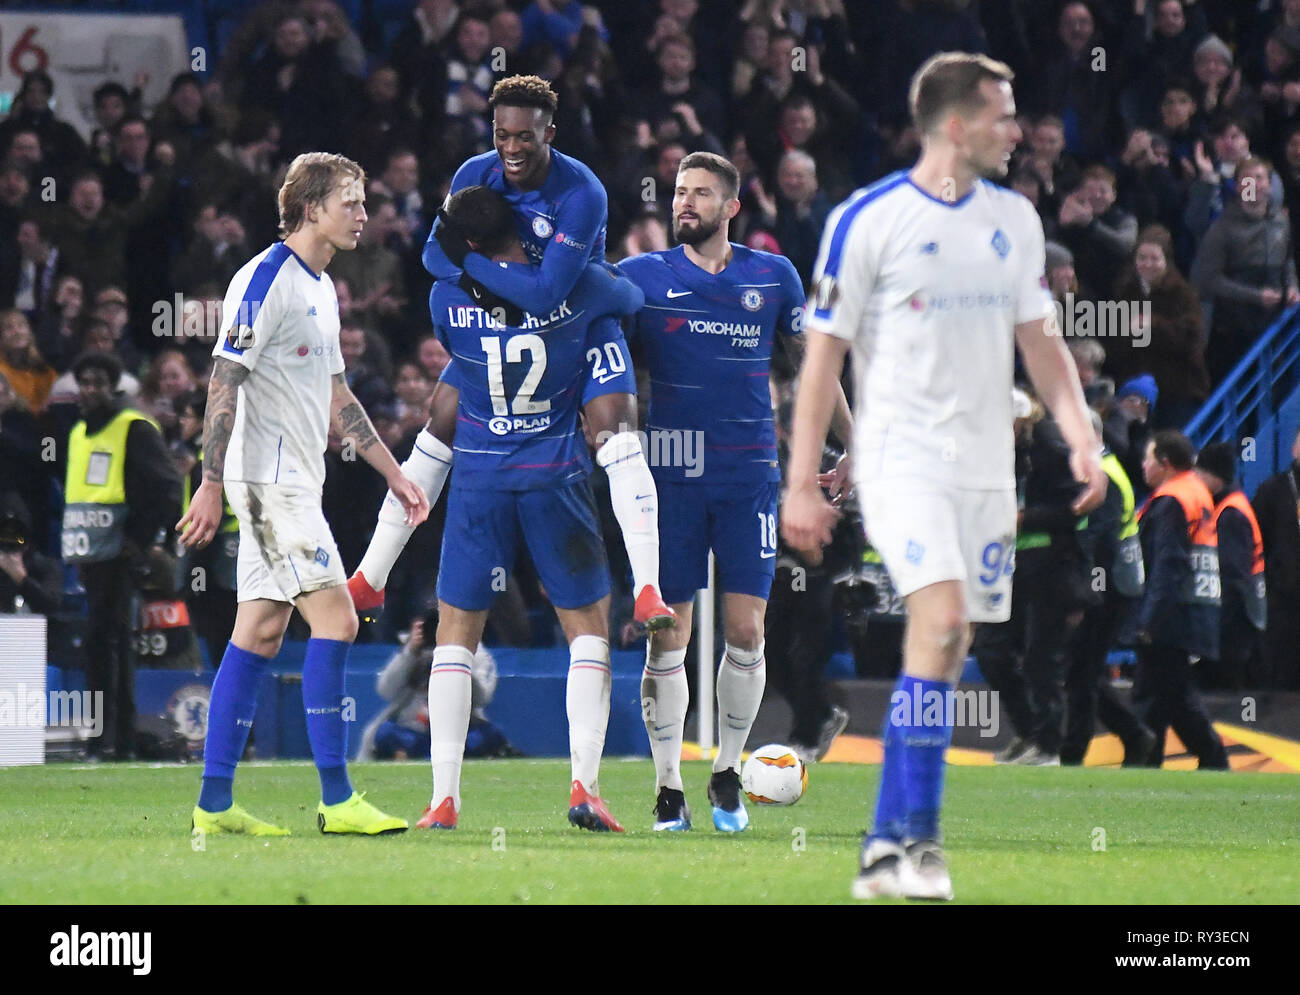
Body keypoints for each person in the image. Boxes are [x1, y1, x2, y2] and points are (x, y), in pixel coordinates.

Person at [781, 53, 1106, 901]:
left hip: (985, 473)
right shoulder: (869, 219)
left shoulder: (1017, 219)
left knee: (950, 643)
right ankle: (914, 843)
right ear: (957, 125)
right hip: (901, 461)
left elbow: (1040, 342)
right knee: (943, 615)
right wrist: (800, 481)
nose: (1019, 131)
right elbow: (822, 357)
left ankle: (884, 847)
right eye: (1003, 116)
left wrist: (1078, 433)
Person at [348, 75, 674, 633]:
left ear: (550, 131)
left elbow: (551, 290)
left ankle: (647, 590)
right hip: (503, 318)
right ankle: (369, 579)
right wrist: (486, 281)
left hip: (577, 318)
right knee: (443, 418)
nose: (512, 148)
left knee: (615, 432)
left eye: (525, 136)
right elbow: (432, 255)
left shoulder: (582, 191)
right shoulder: (474, 174)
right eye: (502, 134)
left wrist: (474, 270)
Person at [178, 152, 429, 837]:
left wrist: (393, 471)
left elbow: (336, 395)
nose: (363, 213)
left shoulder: (321, 287)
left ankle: (215, 801)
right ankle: (338, 798)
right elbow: (223, 379)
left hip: (293, 484)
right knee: (339, 620)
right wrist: (208, 484)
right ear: (312, 207)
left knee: (259, 629)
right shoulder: (264, 280)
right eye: (351, 200)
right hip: (266, 485)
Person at [618, 151, 851, 833]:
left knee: (748, 627)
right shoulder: (640, 278)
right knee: (672, 631)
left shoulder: (771, 276)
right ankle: (667, 788)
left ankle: (725, 771)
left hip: (750, 475)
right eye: (678, 192)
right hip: (670, 476)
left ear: (731, 207)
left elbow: (815, 365)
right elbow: (597, 350)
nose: (683, 203)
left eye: (699, 194)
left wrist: (854, 443)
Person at [414, 184, 643, 832]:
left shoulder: (445, 295)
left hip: (480, 476)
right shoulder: (574, 290)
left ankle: (444, 798)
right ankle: (585, 786)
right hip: (554, 474)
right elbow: (628, 299)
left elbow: (451, 381)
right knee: (588, 630)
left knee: (456, 636)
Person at [62, 350, 181, 761]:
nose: (89, 390)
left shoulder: (132, 427)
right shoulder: (79, 431)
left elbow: (168, 486)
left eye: (97, 382)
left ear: (113, 386)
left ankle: (110, 739)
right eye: (84, 382)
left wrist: (140, 539)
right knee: (106, 643)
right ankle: (115, 739)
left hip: (118, 552)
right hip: (91, 553)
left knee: (107, 641)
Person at [1132, 431, 1229, 768]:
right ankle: (1207, 762)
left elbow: (1167, 565)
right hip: (1193, 612)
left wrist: (1148, 621)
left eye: (1147, 458)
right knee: (1170, 697)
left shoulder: (1172, 499)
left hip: (1172, 616)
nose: (1143, 465)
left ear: (1165, 463)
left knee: (1156, 697)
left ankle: (1149, 765)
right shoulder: (1197, 493)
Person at [1195, 442, 1266, 689]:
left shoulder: (1231, 514)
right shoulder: (1226, 507)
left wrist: (1213, 628)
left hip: (1232, 630)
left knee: (1224, 702)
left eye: (1199, 472)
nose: (1195, 479)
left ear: (1214, 476)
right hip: (1236, 623)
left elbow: (1231, 579)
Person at [1251, 427, 1300, 690]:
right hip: (1283, 598)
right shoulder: (1273, 490)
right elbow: (1258, 540)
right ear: (1294, 448)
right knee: (1281, 673)